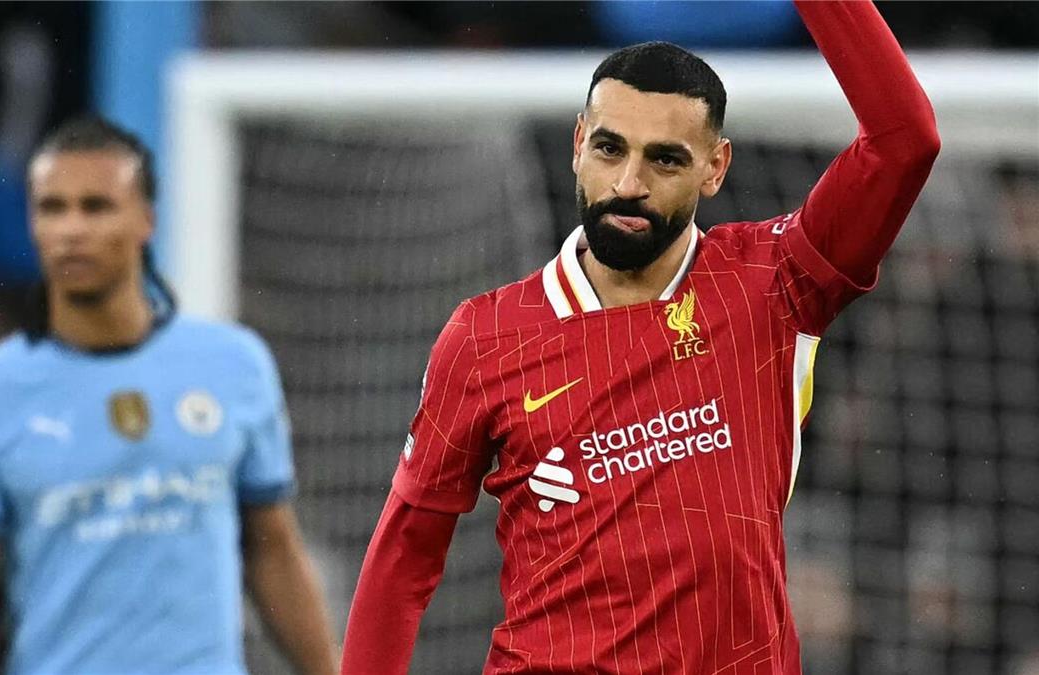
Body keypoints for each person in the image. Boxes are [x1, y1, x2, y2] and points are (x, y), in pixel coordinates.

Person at [341, 1, 940, 673]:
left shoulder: (773, 283)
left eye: (665, 159)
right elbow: (405, 555)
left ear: (715, 168)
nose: (628, 184)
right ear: (578, 144)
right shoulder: (486, 336)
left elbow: (905, 140)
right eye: (610, 148)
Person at [0, 117, 340, 675]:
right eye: (52, 209)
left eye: (96, 207)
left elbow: (273, 552)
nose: (72, 229)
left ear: (147, 220)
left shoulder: (235, 365)